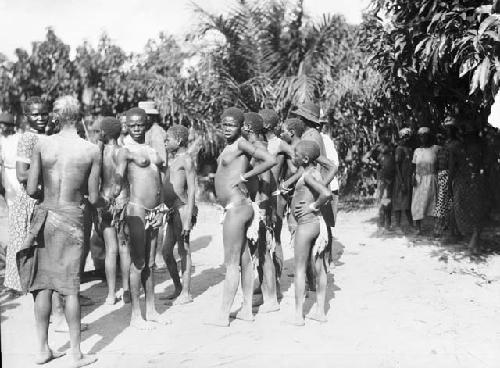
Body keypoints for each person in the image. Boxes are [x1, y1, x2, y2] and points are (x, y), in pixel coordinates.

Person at [26, 95, 99, 367]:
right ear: (78, 116)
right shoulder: (91, 150)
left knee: (43, 285)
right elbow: (93, 196)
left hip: (46, 216)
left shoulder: (42, 144)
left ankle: (43, 349)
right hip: (71, 218)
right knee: (70, 288)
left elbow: (32, 189)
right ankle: (77, 354)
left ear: (56, 117)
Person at [208, 107, 276, 327]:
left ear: (240, 126)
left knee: (231, 264)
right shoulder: (229, 146)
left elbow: (268, 160)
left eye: (232, 125)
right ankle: (246, 309)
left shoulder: (240, 144)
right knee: (245, 260)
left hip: (237, 207)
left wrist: (244, 176)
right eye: (224, 124)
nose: (227, 128)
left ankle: (222, 315)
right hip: (237, 206)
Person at [114, 107, 169, 329]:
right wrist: (113, 198)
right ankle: (136, 315)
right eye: (132, 125)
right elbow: (117, 179)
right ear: (127, 125)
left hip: (156, 211)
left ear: (146, 123)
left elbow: (160, 178)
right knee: (138, 263)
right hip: (137, 210)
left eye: (140, 124)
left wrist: (163, 206)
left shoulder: (151, 148)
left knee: (151, 263)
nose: (137, 128)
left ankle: (152, 309)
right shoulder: (124, 151)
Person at [4, 97, 48, 296]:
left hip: (43, 197)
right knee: (30, 253)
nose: (40, 117)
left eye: (43, 113)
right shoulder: (29, 138)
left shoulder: (46, 136)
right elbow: (22, 174)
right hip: (31, 200)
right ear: (26, 117)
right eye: (35, 114)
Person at [289, 140, 332, 326]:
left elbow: (326, 194)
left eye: (296, 154)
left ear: (305, 158)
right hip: (317, 224)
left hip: (306, 224)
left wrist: (313, 205)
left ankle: (298, 316)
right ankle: (320, 312)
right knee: (319, 267)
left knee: (299, 269)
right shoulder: (317, 172)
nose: (293, 157)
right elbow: (332, 169)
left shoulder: (307, 176)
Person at [241, 112, 279, 312]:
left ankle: (271, 299)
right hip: (257, 205)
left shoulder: (260, 148)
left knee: (263, 254)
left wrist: (263, 211)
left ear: (246, 128)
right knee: (260, 253)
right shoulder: (257, 147)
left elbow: (266, 183)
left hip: (260, 206)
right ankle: (267, 294)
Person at [161, 124, 197, 305]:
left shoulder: (187, 160)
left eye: (168, 139)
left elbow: (191, 191)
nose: (165, 142)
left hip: (183, 210)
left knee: (184, 251)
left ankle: (186, 292)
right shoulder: (174, 160)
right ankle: (177, 287)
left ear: (179, 140)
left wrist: (189, 220)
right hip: (172, 211)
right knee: (166, 252)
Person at [97, 117, 131, 305]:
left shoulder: (99, 152)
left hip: (104, 202)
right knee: (124, 248)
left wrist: (103, 200)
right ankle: (126, 290)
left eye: (100, 131)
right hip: (121, 201)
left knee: (111, 250)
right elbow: (120, 180)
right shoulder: (122, 152)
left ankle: (111, 294)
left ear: (105, 133)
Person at [449, 120, 489, 252]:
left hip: (472, 181)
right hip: (468, 181)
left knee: (472, 208)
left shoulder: (475, 148)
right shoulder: (461, 148)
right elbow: (454, 166)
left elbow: (484, 165)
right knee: (467, 208)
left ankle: (474, 238)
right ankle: (473, 237)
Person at [138, 101, 168, 271]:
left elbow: (161, 161)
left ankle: (157, 257)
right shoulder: (148, 131)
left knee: (157, 220)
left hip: (156, 180)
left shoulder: (156, 133)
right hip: (148, 180)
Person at [259, 109, 285, 296]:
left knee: (274, 239)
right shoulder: (261, 143)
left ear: (267, 125)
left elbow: (298, 165)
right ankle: (264, 282)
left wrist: (288, 185)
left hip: (274, 196)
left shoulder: (279, 144)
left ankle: (274, 283)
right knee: (261, 241)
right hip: (263, 196)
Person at [362, 126, 396, 235]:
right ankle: (382, 224)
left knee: (389, 200)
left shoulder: (392, 147)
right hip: (382, 176)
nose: (388, 136)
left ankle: (388, 224)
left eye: (389, 134)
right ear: (380, 136)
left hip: (392, 176)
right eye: (385, 134)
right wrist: (374, 164)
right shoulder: (377, 147)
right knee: (383, 200)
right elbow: (364, 158)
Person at [411, 127, 438, 235]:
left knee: (433, 202)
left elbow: (441, 163)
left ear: (429, 136)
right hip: (419, 179)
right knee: (417, 203)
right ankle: (418, 228)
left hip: (431, 178)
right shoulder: (417, 150)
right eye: (421, 136)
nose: (423, 138)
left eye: (425, 135)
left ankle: (436, 228)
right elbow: (414, 166)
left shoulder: (435, 149)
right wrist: (413, 176)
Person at [392, 127, 413, 233]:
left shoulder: (409, 149)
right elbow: (397, 166)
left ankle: (411, 225)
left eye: (408, 137)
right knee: (399, 202)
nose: (406, 139)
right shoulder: (399, 149)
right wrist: (401, 182)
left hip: (408, 178)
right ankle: (398, 226)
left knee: (408, 202)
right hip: (401, 179)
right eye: (404, 137)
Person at [0, 112, 22, 208]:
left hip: (18, 170)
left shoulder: (19, 137)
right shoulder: (1, 139)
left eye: (3, 125)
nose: (1, 128)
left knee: (20, 196)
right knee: (9, 196)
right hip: (6, 170)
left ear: (10, 126)